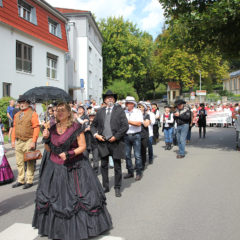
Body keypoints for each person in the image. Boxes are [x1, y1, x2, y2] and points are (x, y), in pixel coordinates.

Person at [32, 103, 112, 240]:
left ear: (69, 113)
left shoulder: (75, 128)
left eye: (63, 111)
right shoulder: (52, 128)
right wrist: (45, 138)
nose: (59, 113)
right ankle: (56, 229)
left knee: (78, 198)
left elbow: (83, 146)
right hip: (55, 168)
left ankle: (82, 229)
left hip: (75, 166)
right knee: (53, 198)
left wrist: (70, 153)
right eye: (58, 111)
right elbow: (48, 149)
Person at [91, 90, 129, 197]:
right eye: (108, 98)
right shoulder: (100, 112)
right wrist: (96, 135)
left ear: (115, 99)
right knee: (103, 165)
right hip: (103, 142)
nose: (110, 99)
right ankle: (105, 186)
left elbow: (125, 126)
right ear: (104, 100)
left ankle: (117, 187)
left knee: (117, 165)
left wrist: (116, 137)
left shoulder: (119, 110)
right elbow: (93, 125)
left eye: (112, 97)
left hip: (116, 142)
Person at [11, 96, 40, 189]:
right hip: (19, 140)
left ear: (28, 103)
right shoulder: (16, 114)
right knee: (19, 161)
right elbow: (14, 128)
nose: (21, 104)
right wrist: (12, 141)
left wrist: (34, 141)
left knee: (29, 160)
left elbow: (36, 127)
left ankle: (29, 180)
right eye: (20, 102)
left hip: (29, 140)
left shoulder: (33, 113)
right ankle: (21, 179)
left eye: (23, 102)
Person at [124, 96, 143, 181]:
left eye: (130, 103)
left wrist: (127, 121)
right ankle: (130, 172)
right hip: (126, 135)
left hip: (136, 135)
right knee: (127, 155)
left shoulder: (138, 112)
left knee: (137, 155)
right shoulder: (124, 112)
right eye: (127, 103)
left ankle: (138, 173)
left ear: (133, 104)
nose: (128, 104)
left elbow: (139, 123)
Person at [138, 102, 150, 170]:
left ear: (144, 108)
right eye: (138, 107)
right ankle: (138, 164)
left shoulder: (147, 115)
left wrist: (140, 119)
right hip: (137, 135)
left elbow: (146, 124)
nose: (139, 108)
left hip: (144, 135)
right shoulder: (135, 114)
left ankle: (143, 163)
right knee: (137, 151)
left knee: (143, 150)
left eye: (141, 107)